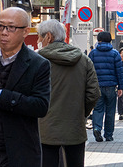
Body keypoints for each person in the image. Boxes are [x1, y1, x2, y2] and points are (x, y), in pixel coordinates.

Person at [0, 7, 51, 166]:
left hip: (18, 151)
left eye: (11, 28)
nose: (4, 32)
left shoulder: (38, 64)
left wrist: (1, 96)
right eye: (0, 26)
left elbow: (40, 106)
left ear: (25, 32)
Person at [36, 19, 100, 167]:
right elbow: (94, 93)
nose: (39, 40)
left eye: (40, 36)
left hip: (45, 128)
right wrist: (81, 112)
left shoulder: (37, 60)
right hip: (74, 126)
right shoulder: (83, 60)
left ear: (49, 37)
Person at [89, 31, 123, 142]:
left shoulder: (93, 53)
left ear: (98, 40)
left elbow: (88, 71)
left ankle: (97, 128)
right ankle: (108, 134)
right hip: (111, 85)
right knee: (110, 110)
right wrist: (120, 87)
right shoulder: (114, 53)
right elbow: (119, 72)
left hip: (97, 86)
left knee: (98, 109)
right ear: (110, 40)